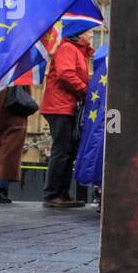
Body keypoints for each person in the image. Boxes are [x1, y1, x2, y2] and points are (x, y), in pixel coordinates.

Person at [40, 33, 92, 209]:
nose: (92, 34)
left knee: (68, 151)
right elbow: (65, 74)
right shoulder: (68, 48)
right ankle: (52, 194)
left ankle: (62, 193)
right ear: (80, 33)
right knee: (61, 150)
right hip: (58, 106)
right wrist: (87, 91)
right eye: (89, 31)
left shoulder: (80, 51)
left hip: (67, 106)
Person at [0, 69, 35, 205]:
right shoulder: (17, 62)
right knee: (9, 152)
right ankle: (2, 190)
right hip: (13, 107)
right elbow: (26, 85)